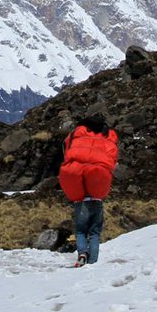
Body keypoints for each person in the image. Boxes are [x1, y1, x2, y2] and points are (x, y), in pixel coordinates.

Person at [59, 112, 118, 265]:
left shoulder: (76, 134)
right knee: (94, 233)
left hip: (80, 200)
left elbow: (65, 149)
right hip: (96, 198)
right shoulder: (108, 136)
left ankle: (82, 254)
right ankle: (93, 262)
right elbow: (112, 155)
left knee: (80, 231)